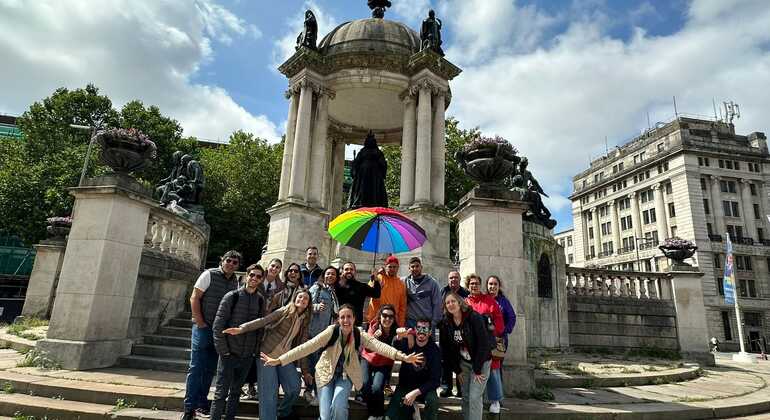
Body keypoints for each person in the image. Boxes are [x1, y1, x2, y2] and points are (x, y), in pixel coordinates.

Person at [260, 304, 425, 420]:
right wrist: (280, 360)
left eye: (349, 317)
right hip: (325, 375)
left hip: (345, 377)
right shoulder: (331, 331)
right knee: (325, 416)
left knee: (338, 408)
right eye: (342, 317)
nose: (346, 320)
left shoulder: (359, 334)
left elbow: (381, 347)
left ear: (354, 319)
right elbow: (306, 347)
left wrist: (404, 357)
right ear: (338, 319)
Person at [223, 289, 313, 420]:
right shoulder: (284, 310)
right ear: (295, 298)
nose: (302, 300)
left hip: (284, 358)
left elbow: (303, 347)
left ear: (308, 303)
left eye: (305, 299)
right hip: (267, 354)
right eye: (300, 297)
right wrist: (242, 328)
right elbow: (264, 320)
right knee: (269, 394)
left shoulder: (305, 320)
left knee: (294, 387)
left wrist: (305, 371)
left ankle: (283, 412)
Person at [182, 250, 242, 420]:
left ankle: (201, 404)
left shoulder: (235, 282)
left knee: (209, 370)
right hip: (203, 328)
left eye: (235, 262)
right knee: (196, 368)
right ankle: (189, 408)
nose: (230, 264)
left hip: (219, 332)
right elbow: (194, 298)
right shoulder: (208, 274)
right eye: (228, 260)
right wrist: (200, 322)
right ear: (222, 260)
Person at [210, 264, 265, 420]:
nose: (254, 278)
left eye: (258, 276)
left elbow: (260, 327)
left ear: (261, 280)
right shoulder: (231, 296)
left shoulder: (260, 300)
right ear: (246, 276)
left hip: (247, 355)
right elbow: (217, 326)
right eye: (252, 275)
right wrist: (224, 351)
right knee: (220, 393)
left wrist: (255, 350)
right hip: (229, 353)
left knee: (235, 393)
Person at [439, 292, 493, 420]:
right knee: (466, 396)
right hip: (464, 363)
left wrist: (478, 369)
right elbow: (447, 350)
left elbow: (483, 344)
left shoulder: (474, 317)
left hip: (481, 362)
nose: (450, 304)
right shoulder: (446, 323)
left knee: (474, 397)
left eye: (453, 301)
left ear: (459, 302)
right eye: (447, 303)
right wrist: (457, 370)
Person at [243, 258, 283, 399]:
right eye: (272, 266)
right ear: (268, 266)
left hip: (269, 325)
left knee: (260, 355)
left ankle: (258, 385)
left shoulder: (281, 286)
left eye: (277, 267)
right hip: (252, 320)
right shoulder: (257, 278)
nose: (274, 269)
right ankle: (249, 385)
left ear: (280, 270)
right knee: (249, 354)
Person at [386, 318, 442, 420]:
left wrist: (415, 392)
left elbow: (435, 381)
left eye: (425, 329)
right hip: (405, 386)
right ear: (415, 330)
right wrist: (398, 336)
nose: (421, 331)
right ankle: (411, 411)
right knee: (390, 416)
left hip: (424, 388)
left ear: (430, 332)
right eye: (419, 328)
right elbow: (393, 345)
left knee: (432, 400)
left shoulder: (434, 350)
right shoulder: (408, 342)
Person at [464, 275, 504, 414]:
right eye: (471, 284)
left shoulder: (489, 301)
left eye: (476, 283)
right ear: (468, 286)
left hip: (488, 344)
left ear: (480, 285)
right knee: (474, 373)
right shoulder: (465, 302)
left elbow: (499, 320)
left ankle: (495, 400)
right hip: (471, 346)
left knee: (493, 370)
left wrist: (494, 331)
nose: (474, 286)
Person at [306, 266, 341, 404]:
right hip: (314, 332)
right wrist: (315, 307)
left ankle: (316, 392)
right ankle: (311, 392)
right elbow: (306, 304)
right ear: (323, 275)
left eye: (333, 274)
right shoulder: (317, 288)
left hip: (326, 334)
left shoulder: (332, 292)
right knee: (314, 364)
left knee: (319, 364)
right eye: (328, 274)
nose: (330, 276)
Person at [361, 305, 400, 419]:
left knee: (377, 388)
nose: (387, 319)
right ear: (380, 316)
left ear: (394, 319)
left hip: (383, 363)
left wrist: (398, 339)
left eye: (391, 317)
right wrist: (373, 339)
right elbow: (367, 348)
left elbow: (398, 350)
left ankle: (378, 414)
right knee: (365, 385)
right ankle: (373, 413)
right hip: (368, 358)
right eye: (385, 316)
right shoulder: (373, 327)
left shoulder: (395, 332)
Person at [484, 275, 516, 414]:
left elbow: (512, 317)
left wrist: (504, 331)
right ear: (487, 286)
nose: (492, 287)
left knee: (496, 369)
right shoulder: (484, 300)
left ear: (499, 286)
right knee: (484, 368)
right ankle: (486, 397)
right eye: (490, 284)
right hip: (485, 341)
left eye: (495, 284)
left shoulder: (504, 302)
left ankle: (497, 398)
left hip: (499, 342)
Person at [440, 270, 469, 397]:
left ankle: (461, 388)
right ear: (448, 279)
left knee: (460, 358)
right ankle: (446, 387)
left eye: (456, 278)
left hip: (460, 329)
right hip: (445, 329)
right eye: (451, 278)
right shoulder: (443, 291)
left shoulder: (465, 293)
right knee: (445, 358)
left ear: (460, 279)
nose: (453, 280)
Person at [366, 255, 407, 326]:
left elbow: (402, 306)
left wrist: (401, 323)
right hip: (375, 320)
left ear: (398, 268)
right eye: (390, 267)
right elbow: (369, 291)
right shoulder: (379, 278)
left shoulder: (401, 284)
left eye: (394, 267)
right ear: (385, 267)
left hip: (392, 320)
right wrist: (375, 276)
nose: (392, 269)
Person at [404, 257, 443, 328]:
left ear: (421, 267)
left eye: (417, 266)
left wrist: (434, 323)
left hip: (427, 323)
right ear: (409, 269)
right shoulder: (405, 282)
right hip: (410, 323)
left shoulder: (432, 283)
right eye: (412, 267)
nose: (415, 269)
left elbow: (437, 304)